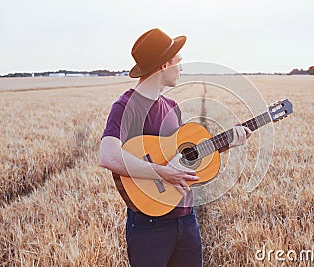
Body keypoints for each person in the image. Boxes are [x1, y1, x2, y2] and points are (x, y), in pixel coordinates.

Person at [99, 28, 251, 267]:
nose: (181, 67)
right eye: (178, 62)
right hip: (149, 227)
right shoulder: (126, 106)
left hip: (186, 219)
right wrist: (163, 173)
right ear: (163, 65)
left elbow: (181, 157)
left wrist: (227, 143)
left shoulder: (172, 106)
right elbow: (108, 156)